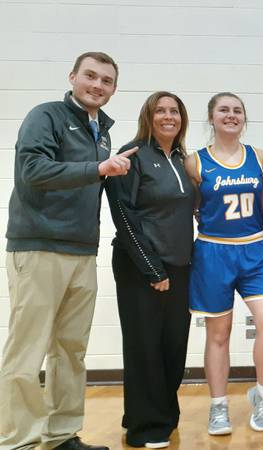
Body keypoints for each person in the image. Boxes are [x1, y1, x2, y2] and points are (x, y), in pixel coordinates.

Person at [1, 51, 133, 450]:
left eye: (106, 81)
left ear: (113, 89)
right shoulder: (46, 116)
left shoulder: (102, 131)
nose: (98, 85)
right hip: (40, 247)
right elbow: (32, 172)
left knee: (71, 350)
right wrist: (97, 169)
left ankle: (60, 435)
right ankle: (18, 441)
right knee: (27, 352)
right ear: (73, 76)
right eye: (90, 76)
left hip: (81, 253)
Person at [185, 93, 263, 437]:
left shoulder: (259, 157)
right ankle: (219, 407)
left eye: (237, 110)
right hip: (213, 252)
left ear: (244, 118)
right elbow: (191, 205)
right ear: (211, 117)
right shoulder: (194, 161)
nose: (231, 115)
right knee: (219, 334)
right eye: (223, 110)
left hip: (254, 248)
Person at [106, 91, 194, 448]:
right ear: (148, 116)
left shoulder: (183, 159)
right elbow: (123, 217)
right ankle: (145, 428)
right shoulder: (133, 155)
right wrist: (151, 269)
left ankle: (157, 414)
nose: (168, 116)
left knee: (173, 346)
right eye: (161, 110)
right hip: (141, 268)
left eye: (174, 111)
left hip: (179, 266)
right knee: (145, 348)